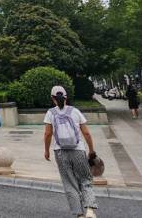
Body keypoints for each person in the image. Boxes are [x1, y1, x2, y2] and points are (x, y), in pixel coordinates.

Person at [44, 86, 97, 218]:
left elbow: (47, 134)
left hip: (60, 152)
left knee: (69, 183)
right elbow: (86, 133)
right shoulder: (75, 111)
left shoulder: (50, 113)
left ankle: (79, 215)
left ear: (52, 99)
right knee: (85, 179)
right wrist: (91, 150)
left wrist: (46, 151)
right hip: (78, 150)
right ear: (66, 97)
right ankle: (90, 210)